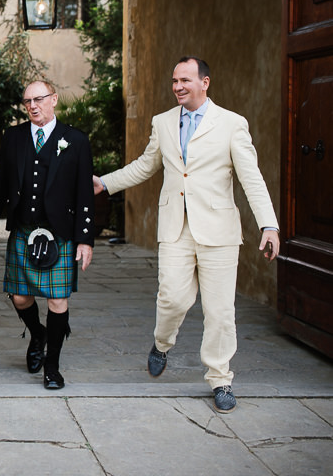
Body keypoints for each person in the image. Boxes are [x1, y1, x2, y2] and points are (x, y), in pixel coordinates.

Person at [93, 56, 279, 413]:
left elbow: (251, 178)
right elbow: (146, 165)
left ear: (205, 83)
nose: (178, 86)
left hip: (220, 231)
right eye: (174, 80)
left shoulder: (232, 124)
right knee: (173, 298)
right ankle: (162, 344)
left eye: (185, 80)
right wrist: (106, 182)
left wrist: (268, 224)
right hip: (175, 227)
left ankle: (220, 378)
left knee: (220, 311)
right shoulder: (162, 123)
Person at [0, 80, 95, 390]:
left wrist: (85, 239)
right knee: (20, 296)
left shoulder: (76, 140)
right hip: (24, 228)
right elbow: (0, 183)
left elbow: (85, 192)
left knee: (58, 301)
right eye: (27, 101)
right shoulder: (14, 137)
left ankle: (52, 367)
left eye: (39, 99)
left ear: (54, 100)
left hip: (60, 232)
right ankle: (38, 334)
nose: (33, 106)